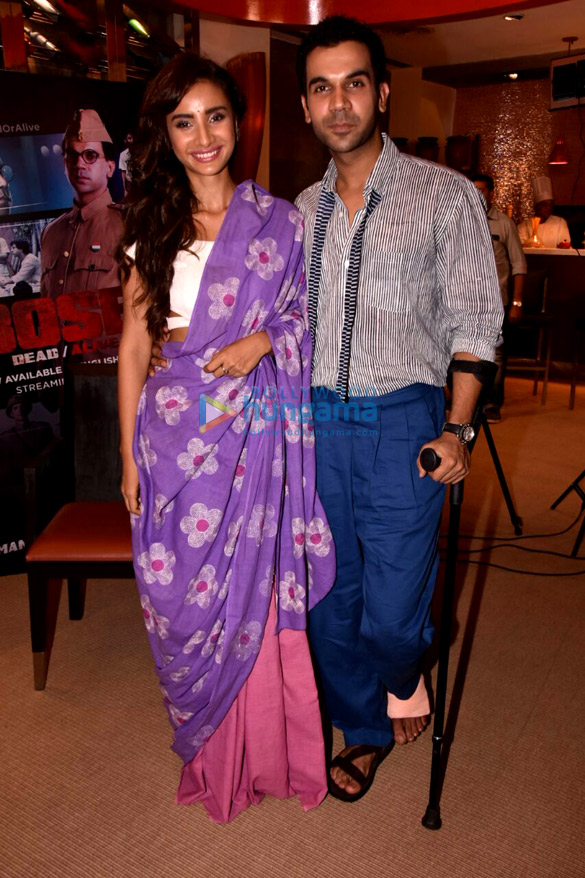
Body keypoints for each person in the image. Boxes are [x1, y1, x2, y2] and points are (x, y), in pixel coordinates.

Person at [117, 53, 335, 823]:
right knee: (180, 600)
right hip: (172, 432)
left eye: (215, 116)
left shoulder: (281, 222)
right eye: (184, 122)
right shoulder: (151, 227)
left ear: (237, 123)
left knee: (251, 588)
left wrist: (264, 340)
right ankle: (211, 750)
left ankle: (266, 756)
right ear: (165, 135)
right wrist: (126, 458)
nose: (203, 136)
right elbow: (134, 349)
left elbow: (306, 319)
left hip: (253, 436)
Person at [294, 16, 503, 801]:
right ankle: (364, 728)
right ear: (305, 106)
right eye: (321, 88)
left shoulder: (444, 196)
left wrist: (456, 427)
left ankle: (403, 668)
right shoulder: (297, 211)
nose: (338, 103)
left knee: (390, 616)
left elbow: (476, 320)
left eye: (353, 83)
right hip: (316, 421)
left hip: (402, 416)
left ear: (380, 93)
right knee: (326, 600)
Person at [40, 108, 123, 298]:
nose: (79, 164)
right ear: (65, 165)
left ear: (110, 168)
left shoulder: (129, 226)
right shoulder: (51, 233)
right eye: (72, 156)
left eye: (90, 156)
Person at [470, 173, 526, 423]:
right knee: (461, 350)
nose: (477, 195)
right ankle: (465, 401)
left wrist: (517, 303)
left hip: (495, 300)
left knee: (496, 353)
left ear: (491, 193)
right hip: (465, 299)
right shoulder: (461, 218)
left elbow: (519, 265)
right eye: (472, 190)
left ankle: (492, 403)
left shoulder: (504, 223)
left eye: (481, 190)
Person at [517, 176, 571, 248]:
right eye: (544, 205)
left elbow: (565, 246)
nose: (548, 208)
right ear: (536, 206)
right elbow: (521, 247)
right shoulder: (524, 226)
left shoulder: (560, 223)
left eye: (550, 205)